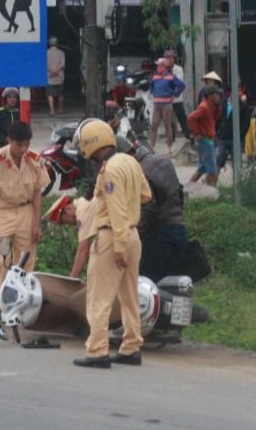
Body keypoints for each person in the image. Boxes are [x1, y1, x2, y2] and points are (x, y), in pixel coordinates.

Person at [73, 120, 151, 369]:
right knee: (129, 295)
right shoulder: (131, 162)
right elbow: (146, 195)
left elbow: (116, 211)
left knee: (99, 297)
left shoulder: (109, 170)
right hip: (132, 235)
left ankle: (97, 351)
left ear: (89, 145)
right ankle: (131, 347)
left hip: (112, 237)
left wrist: (117, 248)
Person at [0, 122, 50, 326]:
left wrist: (37, 223)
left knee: (25, 262)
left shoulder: (35, 160)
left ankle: (22, 307)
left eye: (27, 144)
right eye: (19, 145)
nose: (23, 149)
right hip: (3, 213)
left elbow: (37, 193)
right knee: (0, 261)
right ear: (9, 141)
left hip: (26, 211)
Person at [125, 144, 187, 281]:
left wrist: (135, 235)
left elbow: (148, 208)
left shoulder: (140, 171)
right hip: (180, 229)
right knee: (171, 285)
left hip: (159, 235)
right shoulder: (165, 161)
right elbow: (180, 190)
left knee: (147, 284)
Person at [42, 194, 98, 279]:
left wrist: (70, 280)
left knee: (94, 274)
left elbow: (83, 250)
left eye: (64, 221)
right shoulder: (83, 203)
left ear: (68, 209)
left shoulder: (82, 211)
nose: (69, 225)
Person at [149, 58, 185, 156]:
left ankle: (169, 146)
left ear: (164, 67)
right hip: (157, 104)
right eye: (157, 66)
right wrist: (154, 93)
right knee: (154, 125)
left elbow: (182, 86)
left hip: (167, 105)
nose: (158, 68)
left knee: (167, 125)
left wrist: (174, 95)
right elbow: (151, 85)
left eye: (160, 66)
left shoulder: (171, 77)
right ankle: (151, 146)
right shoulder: (155, 76)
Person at [187, 85, 221, 186]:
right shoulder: (204, 107)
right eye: (216, 95)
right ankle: (211, 193)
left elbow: (216, 117)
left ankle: (188, 188)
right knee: (211, 169)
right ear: (210, 96)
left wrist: (218, 106)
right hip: (205, 141)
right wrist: (196, 133)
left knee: (201, 168)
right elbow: (190, 119)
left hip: (207, 140)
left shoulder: (211, 106)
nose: (218, 96)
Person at [216, 97, 251, 180]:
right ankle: (212, 187)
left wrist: (240, 137)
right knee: (217, 163)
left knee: (237, 165)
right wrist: (217, 133)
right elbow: (217, 120)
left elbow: (246, 123)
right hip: (223, 138)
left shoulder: (243, 106)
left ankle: (236, 188)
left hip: (236, 140)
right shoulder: (222, 104)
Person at [163, 49, 191, 141]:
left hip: (176, 98)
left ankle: (188, 135)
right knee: (168, 120)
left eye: (170, 58)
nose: (169, 60)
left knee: (182, 117)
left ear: (174, 59)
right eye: (167, 58)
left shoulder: (178, 69)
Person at [46, 36, 65, 117]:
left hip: (49, 76)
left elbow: (44, 64)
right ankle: (60, 109)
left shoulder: (45, 53)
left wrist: (51, 71)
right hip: (59, 76)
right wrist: (56, 71)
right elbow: (62, 64)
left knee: (50, 94)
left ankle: (52, 110)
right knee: (60, 94)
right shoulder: (61, 53)